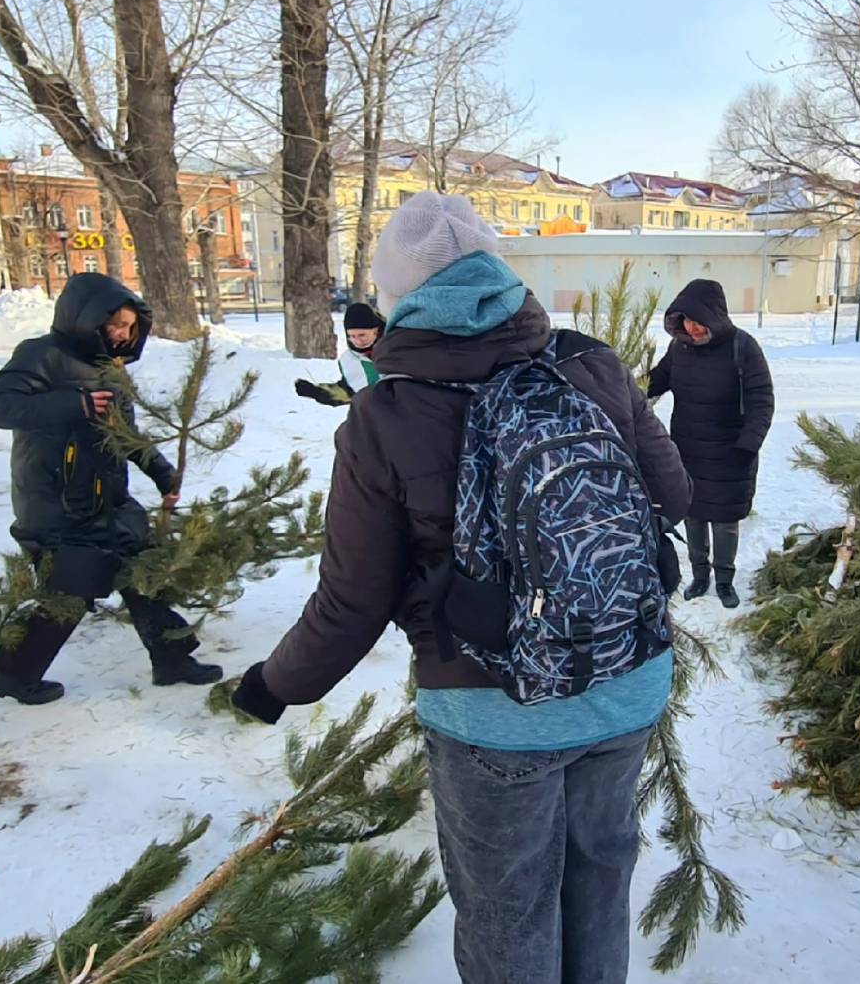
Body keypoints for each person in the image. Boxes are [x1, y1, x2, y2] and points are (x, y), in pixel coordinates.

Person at [229, 191, 692, 984]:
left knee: (508, 913)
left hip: (491, 709)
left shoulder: (384, 416)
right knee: (599, 878)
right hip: (626, 677)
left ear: (401, 294)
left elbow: (353, 601)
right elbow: (673, 496)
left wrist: (274, 685)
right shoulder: (592, 365)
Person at [0, 272, 223, 704]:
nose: (122, 334)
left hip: (108, 499)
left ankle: (172, 658)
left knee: (142, 572)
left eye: (129, 328)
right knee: (71, 590)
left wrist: (164, 475)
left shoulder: (111, 370)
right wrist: (74, 404)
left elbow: (126, 434)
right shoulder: (42, 355)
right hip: (57, 502)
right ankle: (11, 675)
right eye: (115, 325)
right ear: (86, 317)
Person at [647, 279, 774, 609]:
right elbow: (656, 380)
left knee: (724, 520)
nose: (692, 327)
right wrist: (623, 389)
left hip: (730, 451)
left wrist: (748, 445)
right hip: (688, 449)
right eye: (685, 321)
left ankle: (724, 579)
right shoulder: (680, 348)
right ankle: (700, 575)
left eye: (698, 320)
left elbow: (762, 400)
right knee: (693, 514)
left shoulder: (743, 347)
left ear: (715, 317)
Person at [294, 302, 384, 407]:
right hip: (374, 415)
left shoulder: (395, 346)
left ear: (375, 330)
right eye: (352, 336)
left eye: (362, 335)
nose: (358, 341)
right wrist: (318, 392)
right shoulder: (349, 360)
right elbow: (349, 391)